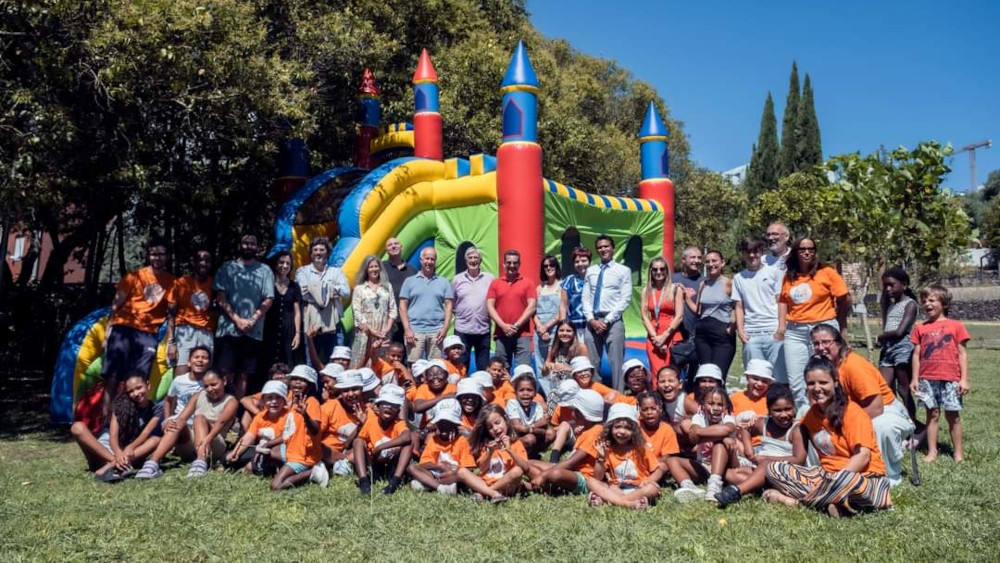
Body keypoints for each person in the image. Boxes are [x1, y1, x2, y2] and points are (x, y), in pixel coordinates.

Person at [756, 356, 892, 517]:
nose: (817, 388)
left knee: (852, 484)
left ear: (835, 382)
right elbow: (789, 422)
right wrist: (755, 420)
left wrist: (836, 480)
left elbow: (863, 456)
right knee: (774, 469)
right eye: (811, 383)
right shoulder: (811, 416)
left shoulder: (853, 412)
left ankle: (797, 502)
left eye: (823, 382)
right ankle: (835, 503)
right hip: (826, 477)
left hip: (863, 477)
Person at [812, 324, 915, 485]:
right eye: (816, 344)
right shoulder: (826, 367)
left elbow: (876, 407)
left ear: (839, 343)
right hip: (850, 413)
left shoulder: (853, 366)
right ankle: (824, 469)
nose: (821, 348)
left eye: (826, 342)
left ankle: (888, 475)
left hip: (886, 411)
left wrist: (848, 426)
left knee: (881, 426)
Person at [101, 238, 175, 419]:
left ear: (167, 257)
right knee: (112, 378)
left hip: (148, 334)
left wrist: (172, 340)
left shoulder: (172, 282)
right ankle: (106, 423)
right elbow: (115, 305)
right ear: (149, 255)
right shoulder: (132, 277)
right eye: (154, 254)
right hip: (123, 329)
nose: (158, 258)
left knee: (139, 381)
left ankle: (130, 421)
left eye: (161, 254)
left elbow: (172, 314)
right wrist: (107, 333)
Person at [776, 236, 851, 411]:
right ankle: (805, 416)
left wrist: (837, 320)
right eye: (802, 249)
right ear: (796, 252)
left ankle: (834, 411)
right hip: (795, 331)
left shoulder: (827, 272)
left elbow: (845, 298)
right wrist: (781, 327)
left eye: (811, 249)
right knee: (796, 381)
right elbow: (783, 300)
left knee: (828, 373)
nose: (807, 252)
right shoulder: (789, 276)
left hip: (823, 328)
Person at [715, 385, 809, 509]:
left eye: (788, 409)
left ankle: (736, 492)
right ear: (769, 410)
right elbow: (746, 429)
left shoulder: (796, 429)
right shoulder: (764, 424)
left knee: (766, 466)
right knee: (729, 473)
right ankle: (760, 488)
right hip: (762, 469)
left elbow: (799, 459)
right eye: (778, 410)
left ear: (794, 408)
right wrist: (749, 451)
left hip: (787, 472)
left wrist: (767, 459)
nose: (784, 415)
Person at [134, 370, 236, 479]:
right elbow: (182, 417)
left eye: (214, 384)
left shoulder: (231, 401)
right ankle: (152, 464)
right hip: (194, 441)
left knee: (199, 418)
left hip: (214, 443)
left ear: (224, 381)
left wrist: (206, 440)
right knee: (177, 424)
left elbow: (220, 423)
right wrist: (169, 423)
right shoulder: (198, 395)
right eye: (206, 386)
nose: (210, 389)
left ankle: (201, 461)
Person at [910, 284, 970, 463]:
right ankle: (932, 451)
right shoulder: (920, 328)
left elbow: (962, 353)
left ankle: (958, 453)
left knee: (953, 416)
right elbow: (916, 354)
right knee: (932, 414)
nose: (927, 304)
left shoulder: (956, 326)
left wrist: (964, 379)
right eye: (924, 301)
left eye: (931, 300)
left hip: (951, 378)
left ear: (943, 303)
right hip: (927, 379)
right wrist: (915, 378)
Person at [71, 372, 161, 481]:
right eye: (131, 391)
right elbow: (113, 437)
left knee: (155, 440)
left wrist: (130, 447)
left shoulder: (156, 409)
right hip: (106, 453)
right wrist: (117, 456)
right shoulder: (120, 405)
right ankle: (114, 464)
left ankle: (111, 467)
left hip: (129, 454)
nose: (136, 393)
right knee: (77, 427)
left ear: (148, 385)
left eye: (139, 388)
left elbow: (146, 433)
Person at [214, 234, 274, 398]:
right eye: (245, 243)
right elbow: (220, 297)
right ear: (240, 245)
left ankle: (238, 409)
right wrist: (237, 319)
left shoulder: (265, 271)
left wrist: (253, 319)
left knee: (244, 374)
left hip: (253, 331)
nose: (249, 246)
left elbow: (268, 298)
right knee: (226, 373)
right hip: (228, 330)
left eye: (252, 243)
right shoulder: (227, 268)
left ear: (258, 247)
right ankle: (222, 410)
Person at [667, 386, 739, 503]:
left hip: (728, 466)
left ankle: (714, 486)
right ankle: (690, 487)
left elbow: (727, 429)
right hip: (704, 466)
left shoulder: (728, 418)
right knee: (672, 461)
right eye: (710, 403)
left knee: (719, 444)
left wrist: (700, 432)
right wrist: (720, 435)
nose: (715, 408)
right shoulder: (699, 417)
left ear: (726, 407)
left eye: (720, 405)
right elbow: (693, 438)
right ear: (702, 406)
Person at [529, 389, 606, 496]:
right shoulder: (588, 429)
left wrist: (544, 475)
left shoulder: (595, 432)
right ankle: (546, 484)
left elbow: (571, 463)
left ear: (582, 414)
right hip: (573, 471)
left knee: (555, 474)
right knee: (530, 463)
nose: (572, 413)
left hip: (585, 478)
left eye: (574, 410)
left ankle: (545, 482)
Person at [586, 403, 663, 510]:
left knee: (652, 489)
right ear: (610, 428)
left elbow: (658, 470)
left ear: (634, 431)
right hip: (615, 488)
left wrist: (649, 480)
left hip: (638, 488)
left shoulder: (641, 447)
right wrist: (600, 457)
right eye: (617, 427)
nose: (622, 432)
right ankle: (629, 504)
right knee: (591, 482)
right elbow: (598, 477)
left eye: (627, 428)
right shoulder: (607, 448)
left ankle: (608, 499)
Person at [582, 235, 632, 390]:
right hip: (592, 321)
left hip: (613, 321)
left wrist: (607, 320)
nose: (603, 249)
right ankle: (596, 394)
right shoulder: (591, 271)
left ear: (613, 248)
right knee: (591, 362)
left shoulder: (623, 270)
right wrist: (591, 320)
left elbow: (625, 298)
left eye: (606, 246)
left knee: (616, 362)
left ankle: (619, 398)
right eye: (600, 247)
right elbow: (586, 298)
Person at [733, 236, 785, 382]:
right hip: (752, 336)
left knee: (779, 379)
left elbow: (781, 301)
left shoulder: (774, 272)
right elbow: (739, 306)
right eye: (747, 252)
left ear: (761, 252)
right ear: (742, 254)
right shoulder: (738, 278)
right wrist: (741, 331)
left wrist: (781, 329)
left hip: (773, 333)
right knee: (755, 380)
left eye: (755, 251)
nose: (751, 255)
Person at [458, 405, 530, 502]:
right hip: (486, 482)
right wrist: (490, 452)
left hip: (506, 485)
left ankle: (486, 493)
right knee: (462, 472)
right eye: (490, 427)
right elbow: (482, 469)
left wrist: (509, 450)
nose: (495, 428)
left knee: (517, 471)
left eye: (497, 423)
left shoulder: (516, 443)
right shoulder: (487, 445)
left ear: (506, 420)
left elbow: (525, 468)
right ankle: (494, 494)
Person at [296, 237, 350, 363]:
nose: (318, 252)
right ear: (311, 253)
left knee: (336, 361)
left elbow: (346, 292)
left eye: (322, 249)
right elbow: (303, 294)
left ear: (327, 253)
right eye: (315, 250)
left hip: (334, 324)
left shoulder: (336, 272)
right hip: (312, 324)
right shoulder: (302, 271)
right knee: (311, 362)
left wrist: (315, 289)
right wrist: (331, 291)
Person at [353, 384, 412, 495]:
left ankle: (394, 482)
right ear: (377, 407)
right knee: (358, 441)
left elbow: (407, 437)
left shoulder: (398, 423)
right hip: (374, 465)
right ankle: (364, 481)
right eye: (385, 403)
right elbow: (359, 442)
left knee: (408, 444)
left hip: (391, 466)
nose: (389, 407)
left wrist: (380, 447)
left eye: (393, 405)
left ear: (398, 410)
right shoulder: (371, 421)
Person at [273, 365, 324, 490]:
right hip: (292, 448)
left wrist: (305, 415)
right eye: (294, 379)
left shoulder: (312, 402)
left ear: (311, 385)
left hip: (302, 455)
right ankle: (292, 469)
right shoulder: (291, 399)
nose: (297, 382)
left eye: (302, 380)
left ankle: (312, 472)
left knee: (276, 486)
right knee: (272, 452)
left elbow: (315, 429)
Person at [408, 398, 475, 495]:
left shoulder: (462, 441)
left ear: (455, 424)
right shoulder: (433, 440)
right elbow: (423, 463)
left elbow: (469, 468)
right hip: (434, 474)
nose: (444, 427)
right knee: (411, 468)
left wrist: (451, 472)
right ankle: (440, 488)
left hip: (452, 474)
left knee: (461, 476)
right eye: (441, 423)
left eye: (448, 423)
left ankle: (429, 484)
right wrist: (439, 465)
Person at [686, 250, 736, 379]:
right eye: (707, 262)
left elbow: (742, 308)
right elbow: (697, 311)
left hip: (721, 335)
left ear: (722, 263)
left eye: (714, 261)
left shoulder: (729, 283)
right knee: (705, 376)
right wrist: (685, 297)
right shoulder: (704, 284)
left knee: (718, 377)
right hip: (702, 335)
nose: (711, 264)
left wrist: (734, 325)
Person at [398, 247, 454, 362]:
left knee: (435, 368)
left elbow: (449, 306)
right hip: (415, 331)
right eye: (427, 258)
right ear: (421, 260)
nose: (429, 262)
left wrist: (445, 328)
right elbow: (402, 306)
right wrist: (407, 329)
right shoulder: (409, 281)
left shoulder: (443, 282)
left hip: (437, 332)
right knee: (413, 366)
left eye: (432, 259)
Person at [165, 249, 214, 376]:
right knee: (181, 372)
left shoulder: (213, 284)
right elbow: (170, 315)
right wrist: (171, 342)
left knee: (204, 375)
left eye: (207, 261)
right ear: (194, 262)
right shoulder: (180, 283)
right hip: (184, 331)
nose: (203, 263)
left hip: (206, 332)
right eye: (200, 260)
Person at [878, 267, 918, 421]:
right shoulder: (890, 306)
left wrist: (880, 337)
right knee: (885, 388)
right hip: (888, 348)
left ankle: (912, 422)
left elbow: (900, 331)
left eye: (891, 285)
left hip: (902, 348)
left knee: (903, 388)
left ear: (904, 285)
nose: (888, 289)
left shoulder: (910, 304)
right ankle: (894, 419)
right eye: (885, 286)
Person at [225, 380, 289, 476]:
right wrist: (236, 452)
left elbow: (287, 437)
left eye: (278, 397)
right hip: (262, 448)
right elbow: (249, 436)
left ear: (284, 401)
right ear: (263, 400)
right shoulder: (260, 416)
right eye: (269, 398)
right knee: (228, 458)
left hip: (282, 450)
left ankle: (265, 468)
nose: (274, 401)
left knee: (251, 467)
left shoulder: (289, 415)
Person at [486, 249, 536, 368]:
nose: (512, 266)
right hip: (501, 334)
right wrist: (503, 326)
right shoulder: (495, 283)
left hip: (523, 335)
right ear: (504, 264)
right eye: (509, 262)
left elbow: (532, 306)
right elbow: (489, 306)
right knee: (501, 370)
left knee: (523, 370)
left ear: (519, 264)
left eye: (515, 263)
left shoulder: (528, 283)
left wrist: (516, 326)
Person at [350, 254, 397, 368]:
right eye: (371, 267)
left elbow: (393, 309)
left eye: (376, 266)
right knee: (363, 363)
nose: (374, 269)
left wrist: (387, 328)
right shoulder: (359, 289)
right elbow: (357, 312)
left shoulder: (387, 287)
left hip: (383, 333)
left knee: (382, 364)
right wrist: (371, 331)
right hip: (366, 334)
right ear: (366, 269)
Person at [452, 245, 494, 371]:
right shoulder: (457, 280)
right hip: (462, 329)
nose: (473, 260)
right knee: (461, 366)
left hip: (483, 329)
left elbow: (494, 301)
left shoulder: (490, 279)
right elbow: (451, 303)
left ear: (480, 261)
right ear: (466, 261)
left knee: (483, 366)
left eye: (476, 257)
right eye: (470, 257)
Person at [641, 256, 683, 376]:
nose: (658, 272)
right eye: (655, 269)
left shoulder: (675, 290)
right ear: (650, 271)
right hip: (654, 337)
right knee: (657, 373)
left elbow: (679, 316)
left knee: (672, 373)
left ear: (666, 270)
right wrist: (656, 339)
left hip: (671, 335)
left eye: (662, 269)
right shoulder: (646, 291)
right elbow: (644, 316)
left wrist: (664, 337)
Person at [260, 250, 301, 372]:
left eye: (288, 263)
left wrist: (298, 333)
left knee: (287, 361)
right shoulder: (268, 284)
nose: (284, 266)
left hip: (288, 330)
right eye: (281, 262)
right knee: (266, 361)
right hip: (269, 327)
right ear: (275, 264)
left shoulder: (294, 286)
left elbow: (297, 312)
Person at [319, 370, 366, 477]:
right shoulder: (329, 407)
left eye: (354, 389)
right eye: (345, 390)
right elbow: (315, 435)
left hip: (351, 451)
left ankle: (343, 463)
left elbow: (349, 444)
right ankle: (344, 462)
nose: (350, 394)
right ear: (340, 392)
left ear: (361, 390)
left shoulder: (367, 410)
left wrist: (362, 424)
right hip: (328, 452)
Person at [533, 255, 568, 390]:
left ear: (556, 267)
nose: (549, 268)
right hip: (539, 329)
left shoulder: (562, 286)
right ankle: (546, 394)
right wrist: (540, 327)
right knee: (540, 363)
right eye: (546, 266)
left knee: (554, 361)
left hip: (555, 328)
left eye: (551, 265)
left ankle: (556, 395)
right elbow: (533, 311)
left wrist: (547, 327)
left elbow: (562, 311)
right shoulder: (539, 288)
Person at [672, 246, 703, 384]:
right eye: (693, 257)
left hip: (696, 333)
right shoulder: (672, 279)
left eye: (699, 257)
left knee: (694, 371)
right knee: (675, 369)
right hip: (676, 332)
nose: (697, 260)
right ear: (683, 260)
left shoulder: (704, 281)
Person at [542, 320, 588, 407]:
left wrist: (568, 368)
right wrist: (549, 365)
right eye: (561, 330)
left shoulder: (581, 347)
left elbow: (587, 371)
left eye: (569, 331)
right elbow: (543, 372)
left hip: (575, 390)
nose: (565, 333)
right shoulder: (554, 348)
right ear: (557, 332)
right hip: (557, 389)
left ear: (574, 333)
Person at [729, 359, 775, 445]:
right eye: (755, 379)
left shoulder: (772, 399)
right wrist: (736, 422)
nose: (759, 384)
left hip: (765, 444)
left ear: (769, 383)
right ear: (747, 378)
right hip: (740, 443)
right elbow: (727, 420)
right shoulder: (735, 398)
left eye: (764, 381)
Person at [382, 237, 419, 344]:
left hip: (408, 321)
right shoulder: (381, 268)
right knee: (388, 352)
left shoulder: (412, 270)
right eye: (390, 245)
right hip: (388, 320)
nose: (393, 246)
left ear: (401, 247)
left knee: (407, 352)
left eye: (396, 244)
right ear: (386, 250)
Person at [505, 369, 548, 452]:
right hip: (514, 438)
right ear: (515, 393)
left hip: (530, 434)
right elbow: (517, 427)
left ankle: (535, 453)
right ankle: (519, 453)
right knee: (530, 439)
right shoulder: (512, 403)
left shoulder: (537, 406)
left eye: (529, 390)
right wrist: (533, 427)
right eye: (521, 390)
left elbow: (543, 428)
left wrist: (527, 428)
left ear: (535, 393)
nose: (525, 393)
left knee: (550, 433)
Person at [562, 247, 592, 342]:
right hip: (573, 327)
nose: (580, 264)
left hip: (592, 326)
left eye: (584, 261)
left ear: (590, 261)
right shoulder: (568, 280)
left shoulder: (595, 280)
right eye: (577, 262)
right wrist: (563, 325)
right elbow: (563, 305)